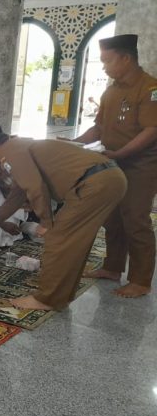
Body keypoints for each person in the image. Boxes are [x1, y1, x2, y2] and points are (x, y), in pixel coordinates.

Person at [0, 119, 126, 311]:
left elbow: (35, 188)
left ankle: (46, 299)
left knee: (58, 241)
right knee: (74, 244)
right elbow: (17, 195)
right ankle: (60, 297)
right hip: (109, 178)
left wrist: (46, 222)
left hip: (92, 185)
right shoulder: (17, 147)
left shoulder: (11, 153)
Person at [73, 34, 157, 299]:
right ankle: (112, 267)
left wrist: (120, 152)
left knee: (135, 219)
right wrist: (74, 143)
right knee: (113, 217)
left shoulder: (150, 88)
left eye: (107, 60)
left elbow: (152, 130)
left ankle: (141, 280)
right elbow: (98, 127)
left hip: (141, 166)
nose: (105, 67)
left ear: (125, 58)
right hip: (113, 163)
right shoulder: (111, 89)